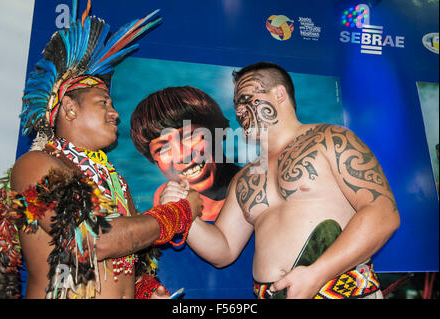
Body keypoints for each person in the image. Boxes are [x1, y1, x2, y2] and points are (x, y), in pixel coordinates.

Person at [0, 2, 202, 299]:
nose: (115, 114)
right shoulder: (35, 166)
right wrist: (179, 213)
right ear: (70, 108)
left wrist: (142, 288)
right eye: (103, 102)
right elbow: (95, 239)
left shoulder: (115, 182)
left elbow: (118, 261)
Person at [161, 61, 401, 299]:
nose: (239, 111)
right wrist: (182, 212)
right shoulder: (244, 178)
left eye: (246, 99)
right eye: (236, 104)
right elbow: (223, 250)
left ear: (279, 94)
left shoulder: (332, 139)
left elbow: (382, 214)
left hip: (339, 291)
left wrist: (316, 275)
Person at [130, 86, 241, 221]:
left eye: (190, 136)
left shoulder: (255, 189)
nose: (182, 156)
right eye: (163, 149)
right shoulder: (166, 196)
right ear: (154, 161)